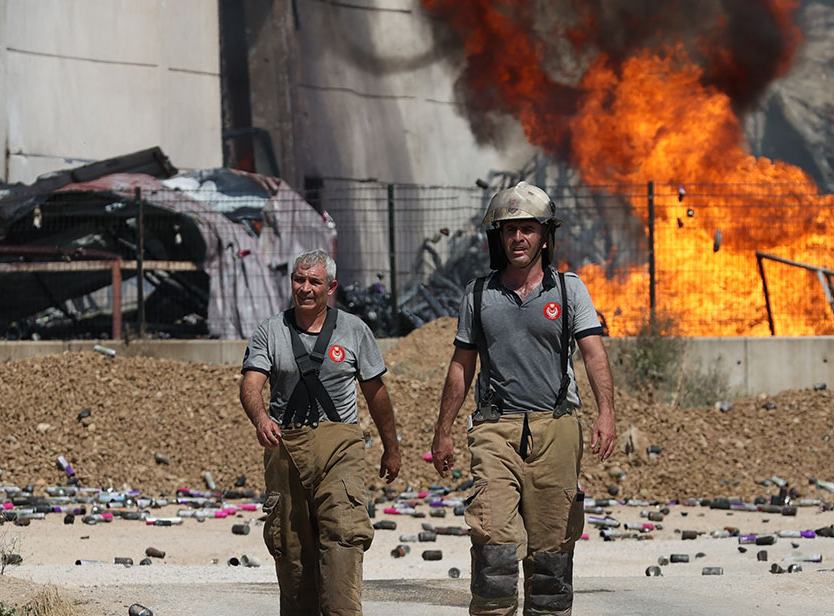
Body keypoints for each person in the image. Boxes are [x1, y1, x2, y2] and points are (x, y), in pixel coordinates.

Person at [430, 181, 617, 616]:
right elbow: (461, 367)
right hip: (496, 429)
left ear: (545, 235)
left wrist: (606, 414)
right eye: (509, 229)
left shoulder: (570, 291)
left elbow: (593, 355)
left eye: (528, 229)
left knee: (551, 559)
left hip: (556, 427)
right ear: (498, 236)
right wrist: (443, 432)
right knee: (493, 547)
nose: (518, 238)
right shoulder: (478, 295)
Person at [239, 249, 401, 616]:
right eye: (299, 280)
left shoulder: (354, 330)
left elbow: (377, 394)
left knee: (343, 535)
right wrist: (261, 418)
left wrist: (391, 449)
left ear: (331, 287)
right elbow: (251, 384)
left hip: (340, 447)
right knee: (291, 550)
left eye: (314, 281)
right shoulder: (270, 331)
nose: (305, 288)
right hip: (286, 449)